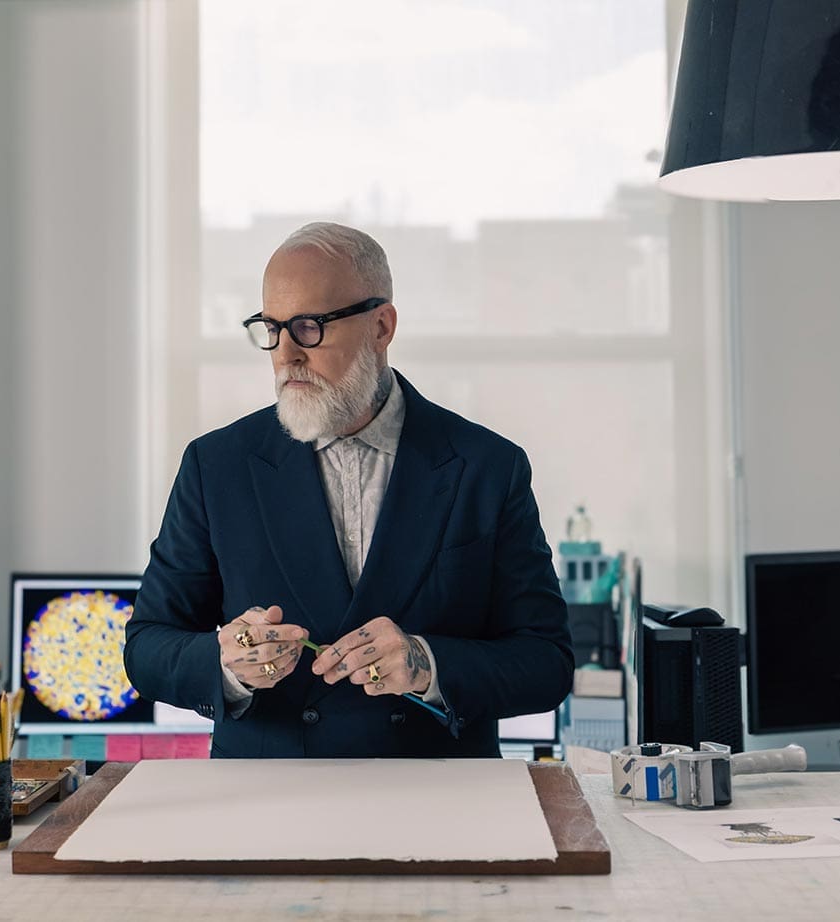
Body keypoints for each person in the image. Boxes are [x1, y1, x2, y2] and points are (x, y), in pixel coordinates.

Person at [124, 222, 573, 758]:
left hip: (441, 804)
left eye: (309, 327)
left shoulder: (487, 466)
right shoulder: (216, 464)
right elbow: (147, 647)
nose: (285, 353)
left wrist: (426, 662)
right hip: (266, 803)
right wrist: (225, 664)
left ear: (381, 326)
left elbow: (546, 663)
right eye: (271, 327)